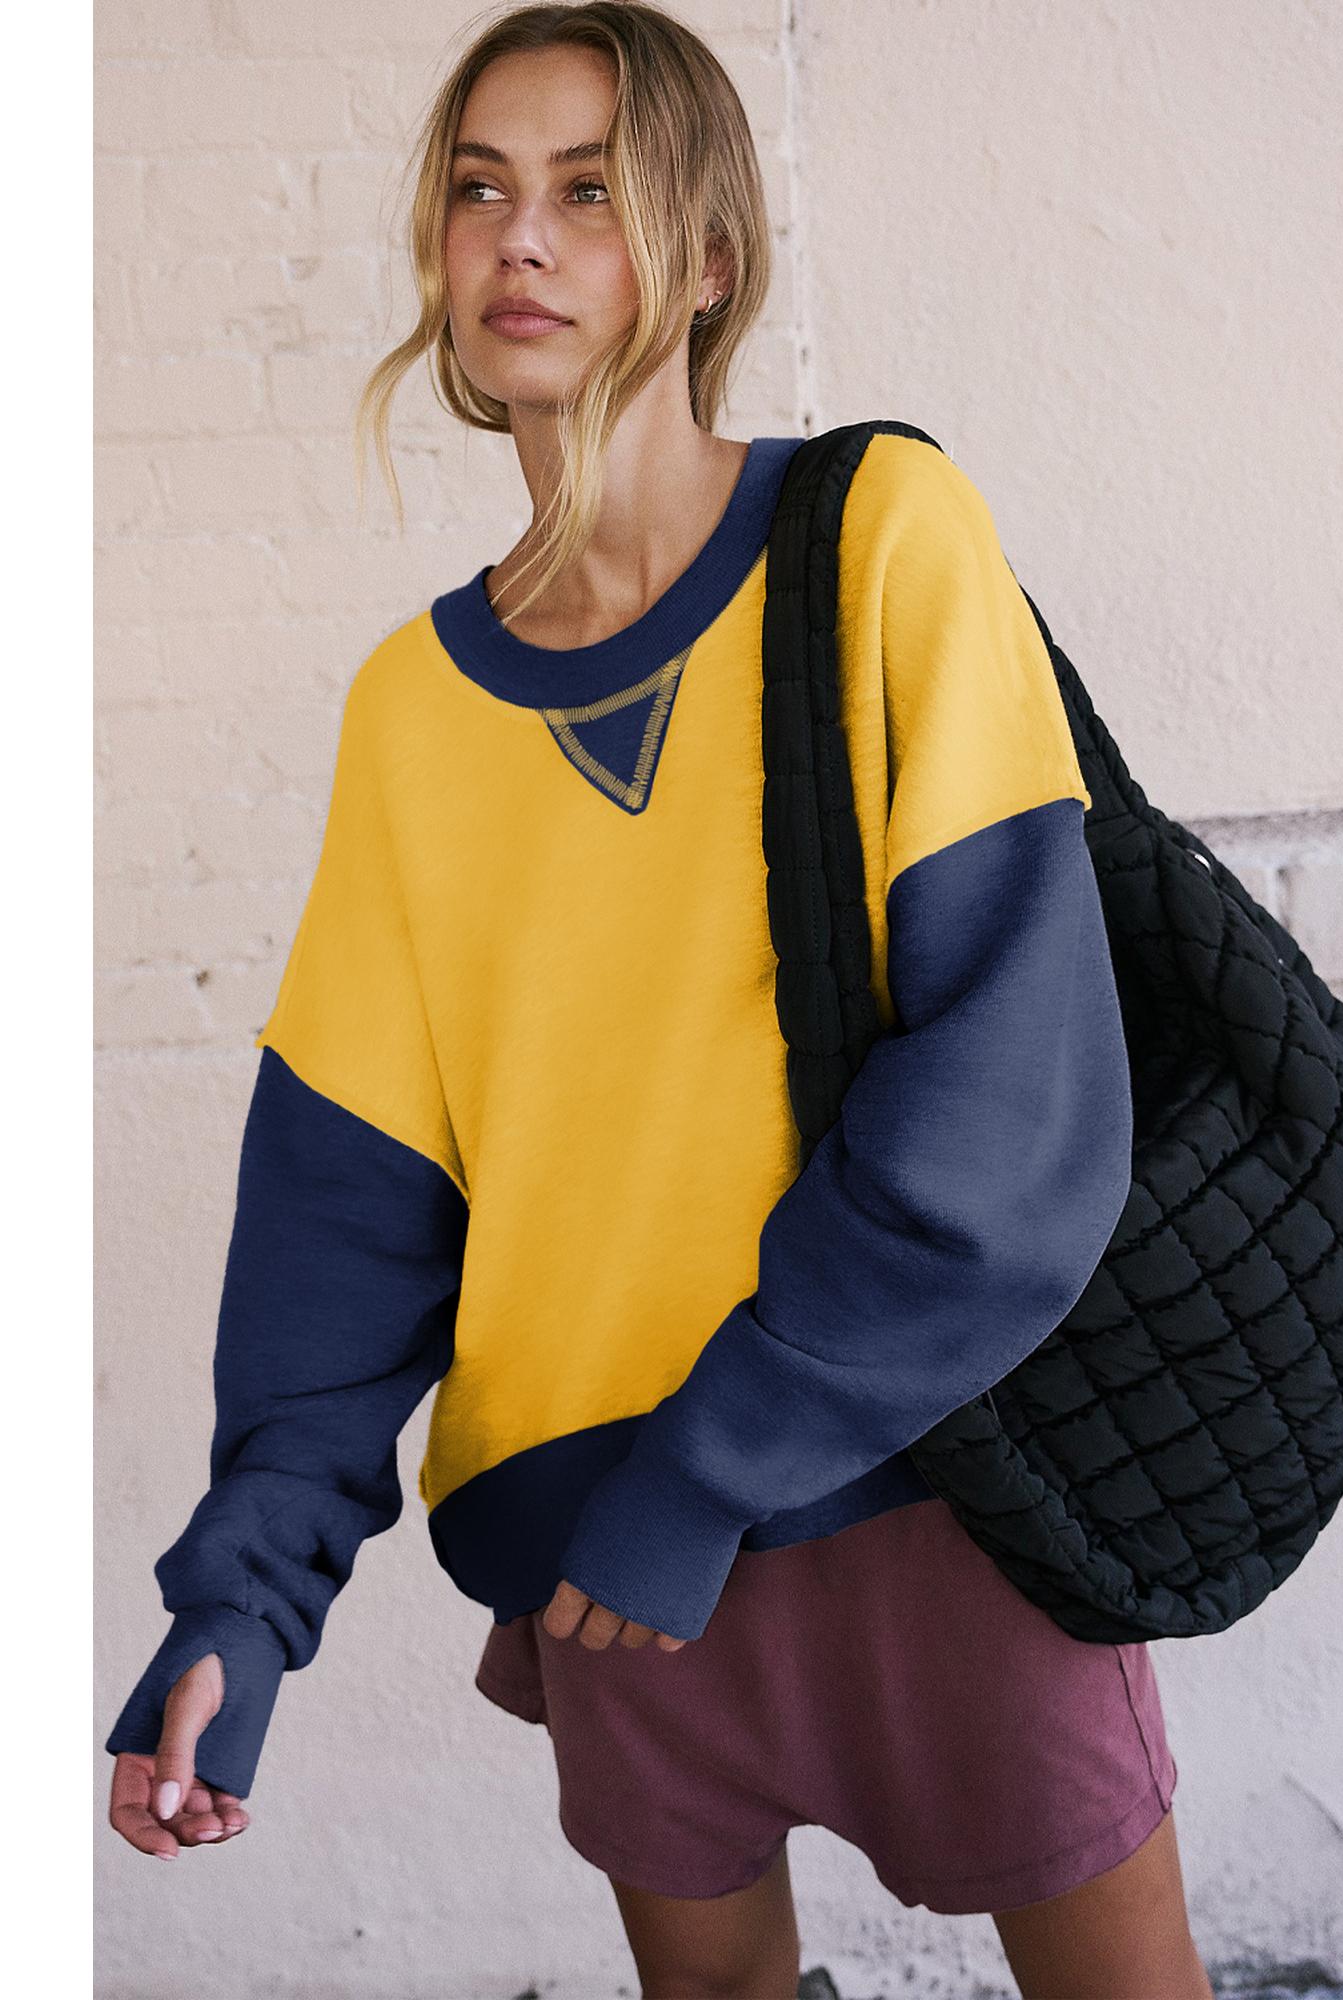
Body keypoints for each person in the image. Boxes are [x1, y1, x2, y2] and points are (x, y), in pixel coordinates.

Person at [105, 5, 1214, 1995]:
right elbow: (351, 1207)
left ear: (706, 258)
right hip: (600, 1556)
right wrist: (242, 1610)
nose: (520, 237)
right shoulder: (412, 711)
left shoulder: (878, 540)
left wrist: (712, 1464)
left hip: (932, 1488)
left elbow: (1010, 1090)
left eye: (590, 192)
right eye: (479, 189)